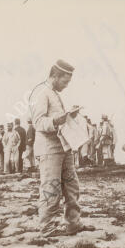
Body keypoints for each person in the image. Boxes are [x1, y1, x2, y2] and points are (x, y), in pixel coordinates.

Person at [28, 59, 92, 237]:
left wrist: (68, 116)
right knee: (51, 187)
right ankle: (47, 227)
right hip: (49, 149)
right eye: (65, 81)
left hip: (64, 147)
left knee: (72, 186)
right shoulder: (41, 92)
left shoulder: (53, 92)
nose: (67, 85)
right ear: (55, 76)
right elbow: (38, 122)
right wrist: (58, 120)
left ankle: (73, 223)